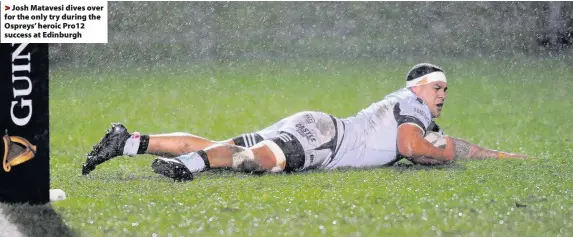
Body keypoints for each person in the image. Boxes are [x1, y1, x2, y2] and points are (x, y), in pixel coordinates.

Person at [81, 63, 526, 181]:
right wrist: (442, 153)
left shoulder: (409, 107)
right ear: (417, 89)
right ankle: (190, 167)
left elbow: (451, 143)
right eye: (436, 88)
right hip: (325, 140)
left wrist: (497, 154)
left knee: (227, 145)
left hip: (318, 126)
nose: (442, 96)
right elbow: (413, 147)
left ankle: (129, 142)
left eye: (446, 90)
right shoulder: (411, 108)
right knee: (254, 161)